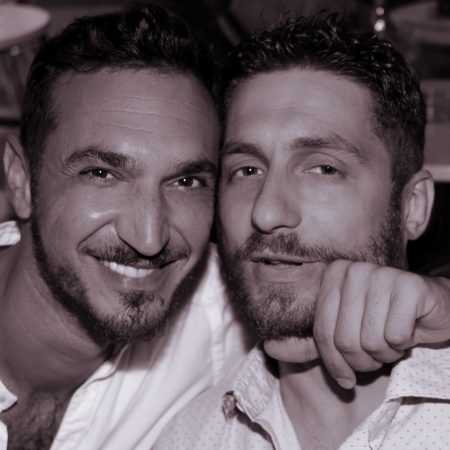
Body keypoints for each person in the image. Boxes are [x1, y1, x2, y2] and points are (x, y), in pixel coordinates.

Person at [154, 14, 450, 449]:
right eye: (247, 170)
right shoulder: (191, 439)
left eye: (323, 169)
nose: (267, 211)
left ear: (413, 206)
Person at [0, 5, 253, 449]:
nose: (150, 238)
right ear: (21, 180)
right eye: (102, 174)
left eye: (185, 182)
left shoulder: (225, 311)